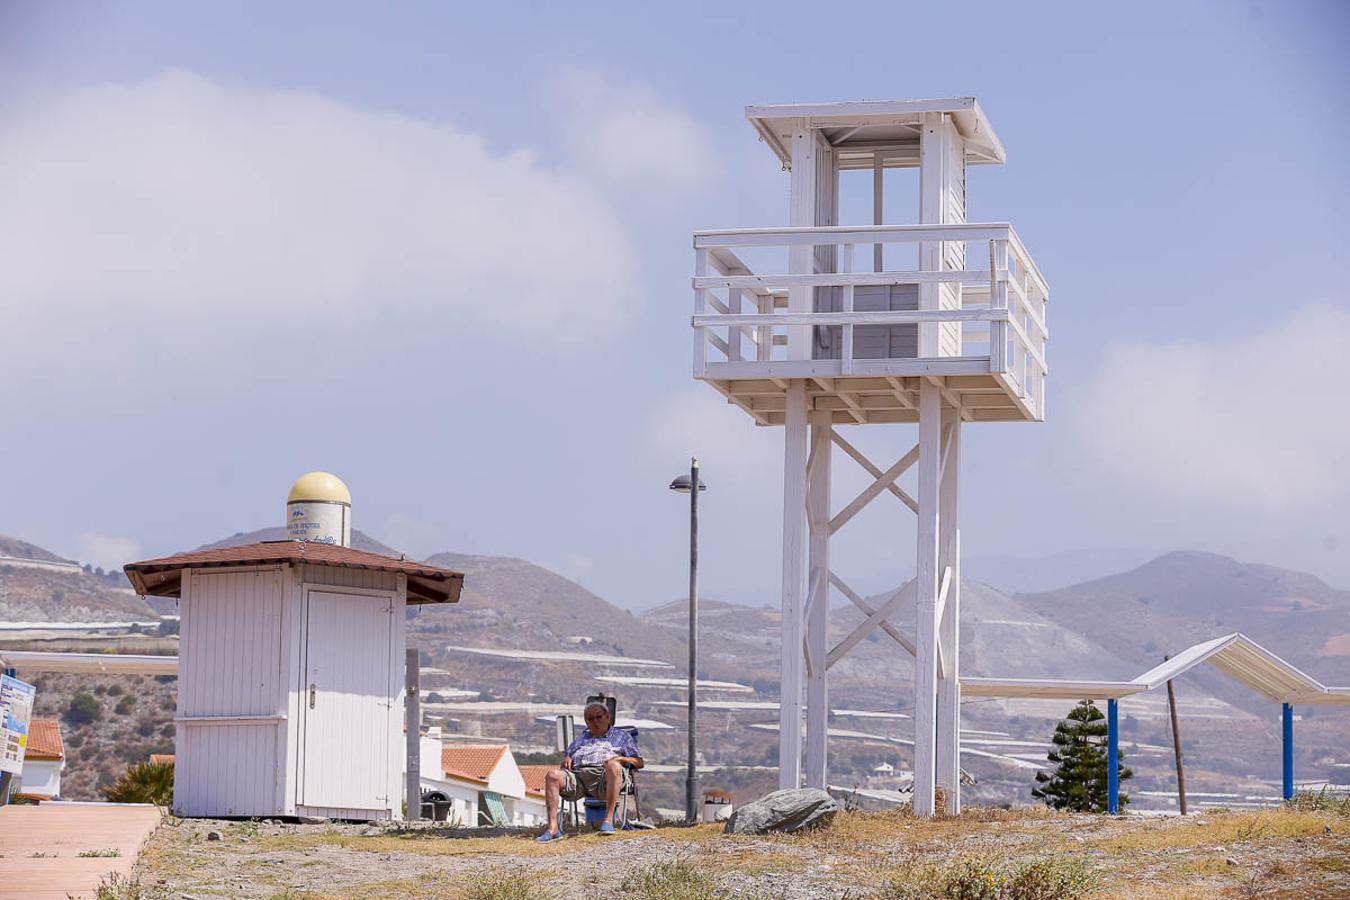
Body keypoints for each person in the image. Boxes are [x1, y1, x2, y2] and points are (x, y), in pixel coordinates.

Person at [536, 701, 643, 841]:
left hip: (605, 777)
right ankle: (553, 828)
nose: (595, 722)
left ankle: (608, 821)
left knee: (613, 766)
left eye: (599, 717)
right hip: (579, 778)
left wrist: (620, 759)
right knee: (552, 775)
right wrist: (568, 757)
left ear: (607, 717)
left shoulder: (622, 737)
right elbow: (569, 756)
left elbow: (639, 762)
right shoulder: (580, 739)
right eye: (590, 719)